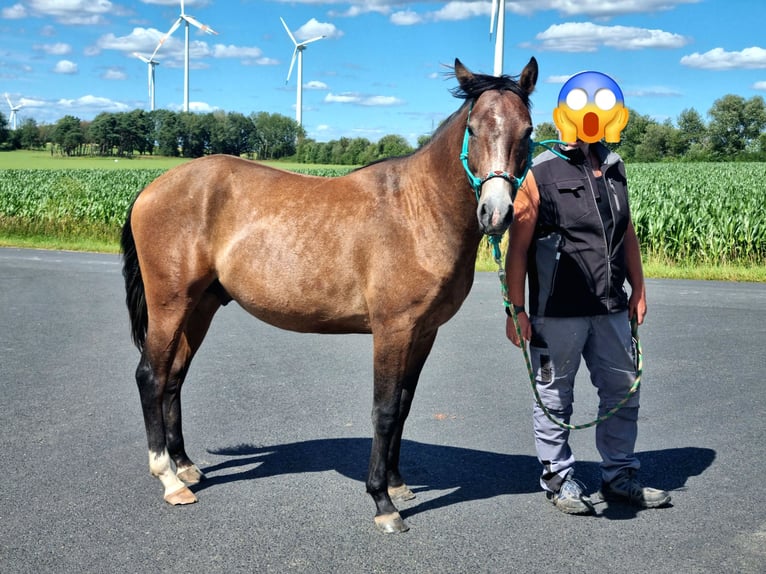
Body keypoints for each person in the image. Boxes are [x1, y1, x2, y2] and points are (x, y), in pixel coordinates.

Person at [505, 138, 671, 514]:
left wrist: (639, 288)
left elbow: (626, 231)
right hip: (555, 311)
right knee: (553, 397)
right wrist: (515, 309)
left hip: (611, 306)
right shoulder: (539, 170)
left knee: (623, 391)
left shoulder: (615, 164)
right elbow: (518, 246)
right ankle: (559, 479)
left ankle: (619, 476)